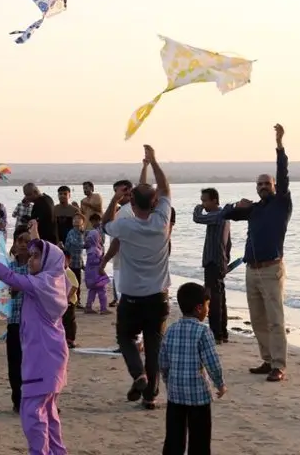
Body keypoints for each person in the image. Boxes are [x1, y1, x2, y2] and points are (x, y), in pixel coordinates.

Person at [196, 124, 291, 381]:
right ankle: (267, 360)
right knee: (258, 319)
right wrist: (234, 205)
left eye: (266, 183)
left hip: (272, 269)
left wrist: (280, 146)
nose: (262, 186)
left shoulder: (281, 204)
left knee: (275, 319)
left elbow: (283, 175)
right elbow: (226, 214)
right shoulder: (255, 209)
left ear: (273, 186)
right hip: (252, 269)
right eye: (259, 184)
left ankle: (279, 365)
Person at [0, 224, 70, 455]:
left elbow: (11, 277)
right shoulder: (56, 279)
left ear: (46, 263)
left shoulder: (42, 283)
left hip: (43, 359)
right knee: (49, 412)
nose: (30, 260)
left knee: (32, 412)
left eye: (35, 257)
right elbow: (52, 259)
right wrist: (36, 238)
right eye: (30, 256)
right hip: (51, 357)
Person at [102, 145, 172, 409]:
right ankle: (151, 396)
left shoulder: (125, 225)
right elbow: (164, 187)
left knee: (126, 338)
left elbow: (105, 224)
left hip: (131, 296)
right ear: (155, 203)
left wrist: (115, 199)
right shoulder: (162, 221)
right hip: (158, 297)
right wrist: (153, 161)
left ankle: (138, 374)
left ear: (131, 203)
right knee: (154, 346)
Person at [160, 282, 226, 455]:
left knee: (174, 436)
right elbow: (212, 363)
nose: (208, 310)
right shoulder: (203, 332)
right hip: (198, 395)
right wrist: (220, 383)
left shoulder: (171, 330)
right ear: (198, 308)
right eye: (207, 306)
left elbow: (163, 362)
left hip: (176, 393)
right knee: (200, 439)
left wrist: (168, 381)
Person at [192, 188, 231, 344]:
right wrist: (226, 260)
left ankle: (217, 334)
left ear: (214, 200)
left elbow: (197, 218)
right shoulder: (223, 217)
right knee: (220, 297)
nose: (203, 204)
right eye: (202, 201)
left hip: (214, 262)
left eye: (205, 200)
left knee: (213, 299)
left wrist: (198, 207)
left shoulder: (218, 215)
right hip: (218, 261)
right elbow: (229, 242)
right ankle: (222, 332)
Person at [4, 228, 32, 413]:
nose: (22, 244)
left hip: (31, 323)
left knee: (32, 362)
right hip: (14, 320)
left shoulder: (34, 267)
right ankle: (17, 399)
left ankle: (34, 398)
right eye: (19, 240)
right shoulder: (10, 267)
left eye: (26, 241)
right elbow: (7, 290)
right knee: (15, 362)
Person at [83, 213, 110, 314]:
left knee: (92, 291)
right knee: (102, 291)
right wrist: (101, 260)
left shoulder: (90, 249)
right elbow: (94, 261)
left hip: (91, 275)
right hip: (97, 274)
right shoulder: (95, 250)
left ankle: (88, 306)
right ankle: (103, 308)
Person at [64, 212, 86, 306]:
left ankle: (77, 300)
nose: (76, 220)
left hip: (78, 262)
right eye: (74, 219)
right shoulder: (71, 232)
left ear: (83, 222)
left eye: (78, 218)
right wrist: (88, 245)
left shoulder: (82, 233)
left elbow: (80, 252)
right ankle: (71, 300)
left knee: (78, 282)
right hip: (70, 262)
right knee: (71, 282)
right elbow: (76, 245)